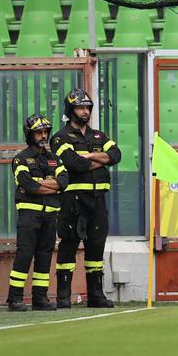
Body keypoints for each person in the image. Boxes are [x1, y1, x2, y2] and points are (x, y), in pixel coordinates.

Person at [50, 88, 119, 308]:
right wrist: (102, 159)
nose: (85, 111)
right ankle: (63, 297)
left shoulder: (98, 135)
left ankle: (96, 295)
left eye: (87, 107)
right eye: (80, 107)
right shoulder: (60, 137)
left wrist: (89, 155)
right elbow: (74, 163)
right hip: (73, 200)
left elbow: (116, 155)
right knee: (68, 245)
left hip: (98, 199)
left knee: (96, 247)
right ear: (70, 110)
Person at [7, 115, 68, 312]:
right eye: (38, 132)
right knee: (24, 255)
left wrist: (42, 184)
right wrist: (53, 185)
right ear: (29, 134)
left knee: (44, 256)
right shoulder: (21, 158)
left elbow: (64, 182)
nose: (43, 136)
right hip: (29, 215)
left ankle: (40, 298)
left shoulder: (54, 158)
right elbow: (28, 185)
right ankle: (15, 298)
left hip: (51, 215)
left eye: (45, 132)